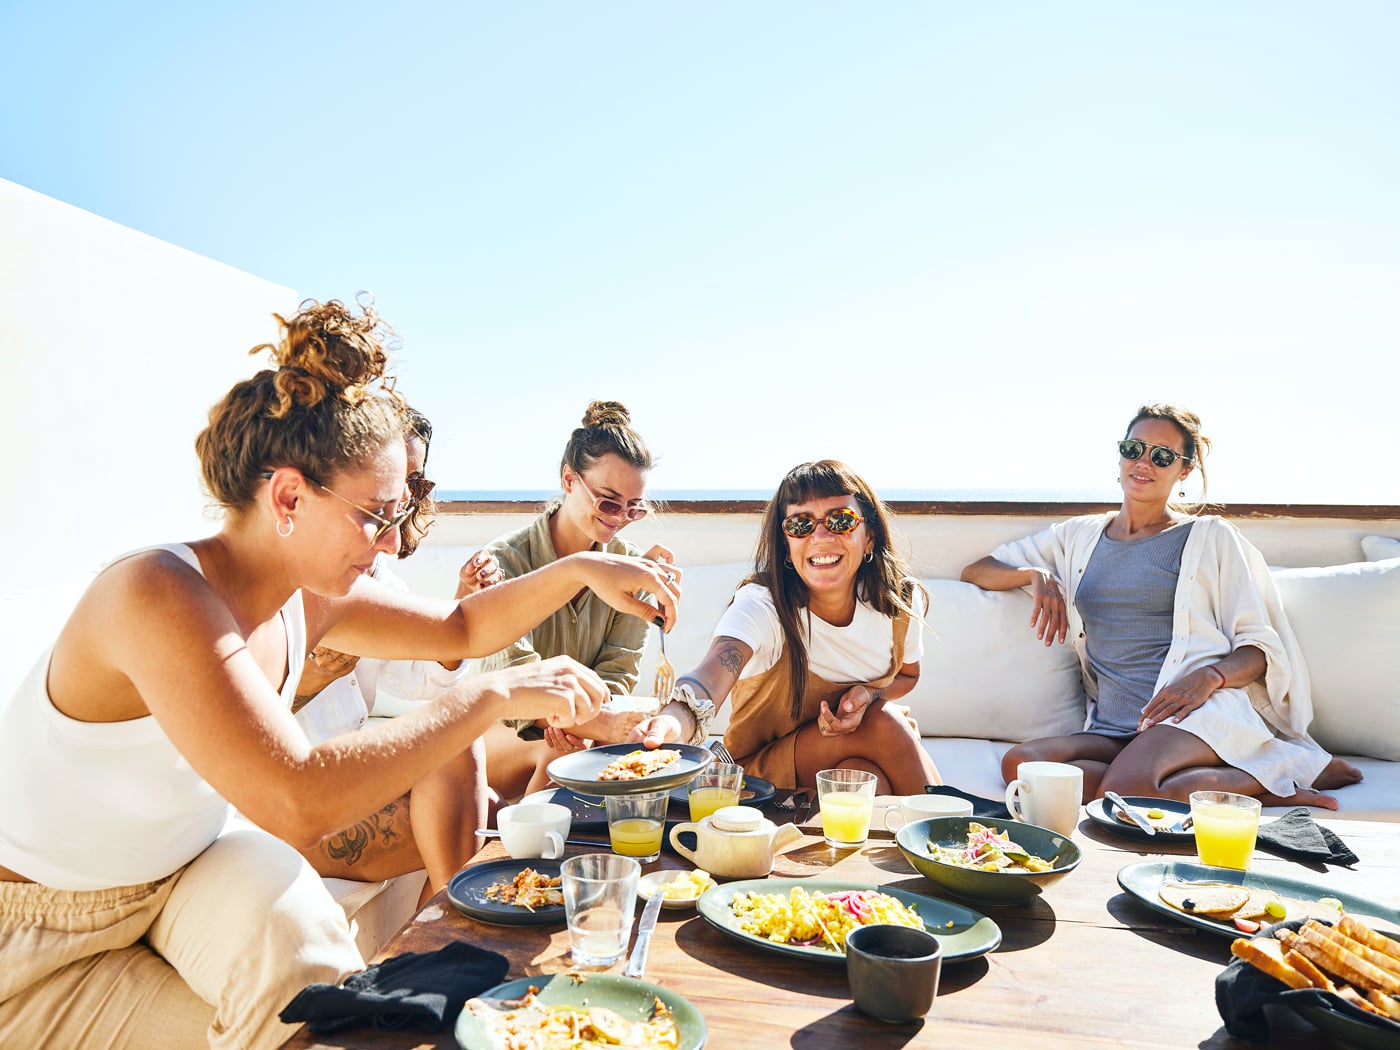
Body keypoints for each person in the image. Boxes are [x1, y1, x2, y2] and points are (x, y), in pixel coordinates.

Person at [0, 298, 678, 1050]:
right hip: (42, 926)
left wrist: (586, 567)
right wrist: (490, 692)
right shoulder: (156, 594)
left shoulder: (310, 594)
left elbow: (461, 626)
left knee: (318, 978)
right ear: (288, 497)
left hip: (184, 869)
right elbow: (298, 797)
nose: (390, 543)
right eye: (376, 516)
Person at [961, 403, 1362, 808]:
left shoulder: (1210, 538)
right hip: (1113, 726)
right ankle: (1229, 773)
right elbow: (977, 570)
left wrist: (1209, 678)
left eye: (1163, 456)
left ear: (1183, 470)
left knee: (1130, 790)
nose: (1144, 463)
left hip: (1193, 714)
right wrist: (1035, 574)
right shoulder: (1078, 536)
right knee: (1024, 768)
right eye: (1134, 449)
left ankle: (1282, 775)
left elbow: (1258, 648)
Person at [630, 459, 941, 794]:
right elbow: (711, 676)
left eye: (840, 520)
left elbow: (907, 674)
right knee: (881, 723)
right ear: (786, 546)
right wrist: (672, 721)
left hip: (859, 757)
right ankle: (959, 836)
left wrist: (870, 694)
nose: (820, 536)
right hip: (763, 772)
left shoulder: (899, 602)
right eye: (800, 525)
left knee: (862, 778)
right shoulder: (762, 606)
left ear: (869, 537)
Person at [292, 405, 489, 906]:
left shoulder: (378, 582)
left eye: (416, 487)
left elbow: (418, 676)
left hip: (338, 788)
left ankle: (434, 941)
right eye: (392, 489)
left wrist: (460, 610)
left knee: (471, 786)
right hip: (286, 810)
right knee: (464, 779)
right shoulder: (282, 586)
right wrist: (309, 680)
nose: (402, 507)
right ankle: (456, 936)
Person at [465, 401, 677, 802]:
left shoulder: (633, 567)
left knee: (576, 749)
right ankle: (531, 862)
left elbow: (618, 674)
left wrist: (581, 722)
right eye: (609, 502)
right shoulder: (505, 562)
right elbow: (514, 683)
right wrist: (591, 722)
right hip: (494, 734)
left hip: (580, 729)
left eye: (633, 508)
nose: (619, 519)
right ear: (568, 479)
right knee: (561, 752)